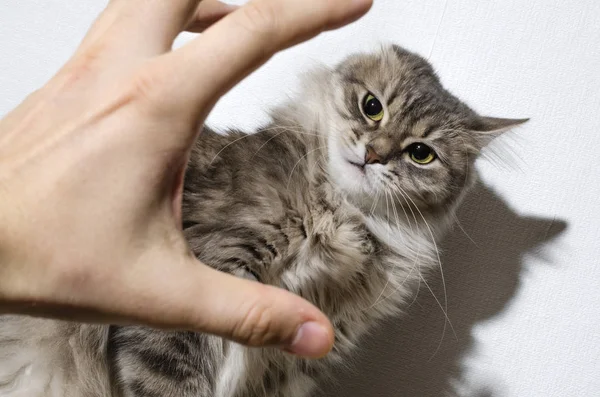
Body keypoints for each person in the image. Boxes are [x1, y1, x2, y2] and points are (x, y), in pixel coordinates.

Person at [0, 0, 372, 358]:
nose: (376, 151)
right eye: (373, 108)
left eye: (421, 153)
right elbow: (158, 344)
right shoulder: (269, 177)